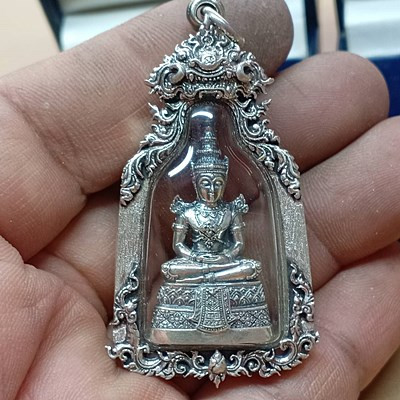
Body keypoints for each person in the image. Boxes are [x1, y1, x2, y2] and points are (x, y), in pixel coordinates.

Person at [0, 0, 399, 399]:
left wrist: (219, 260)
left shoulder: (229, 209)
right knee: (172, 269)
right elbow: (179, 249)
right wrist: (199, 261)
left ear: (223, 180)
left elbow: (237, 247)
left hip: (225, 268)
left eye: (215, 182)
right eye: (204, 181)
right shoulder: (187, 210)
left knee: (247, 267)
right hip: (191, 269)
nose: (210, 188)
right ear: (196, 180)